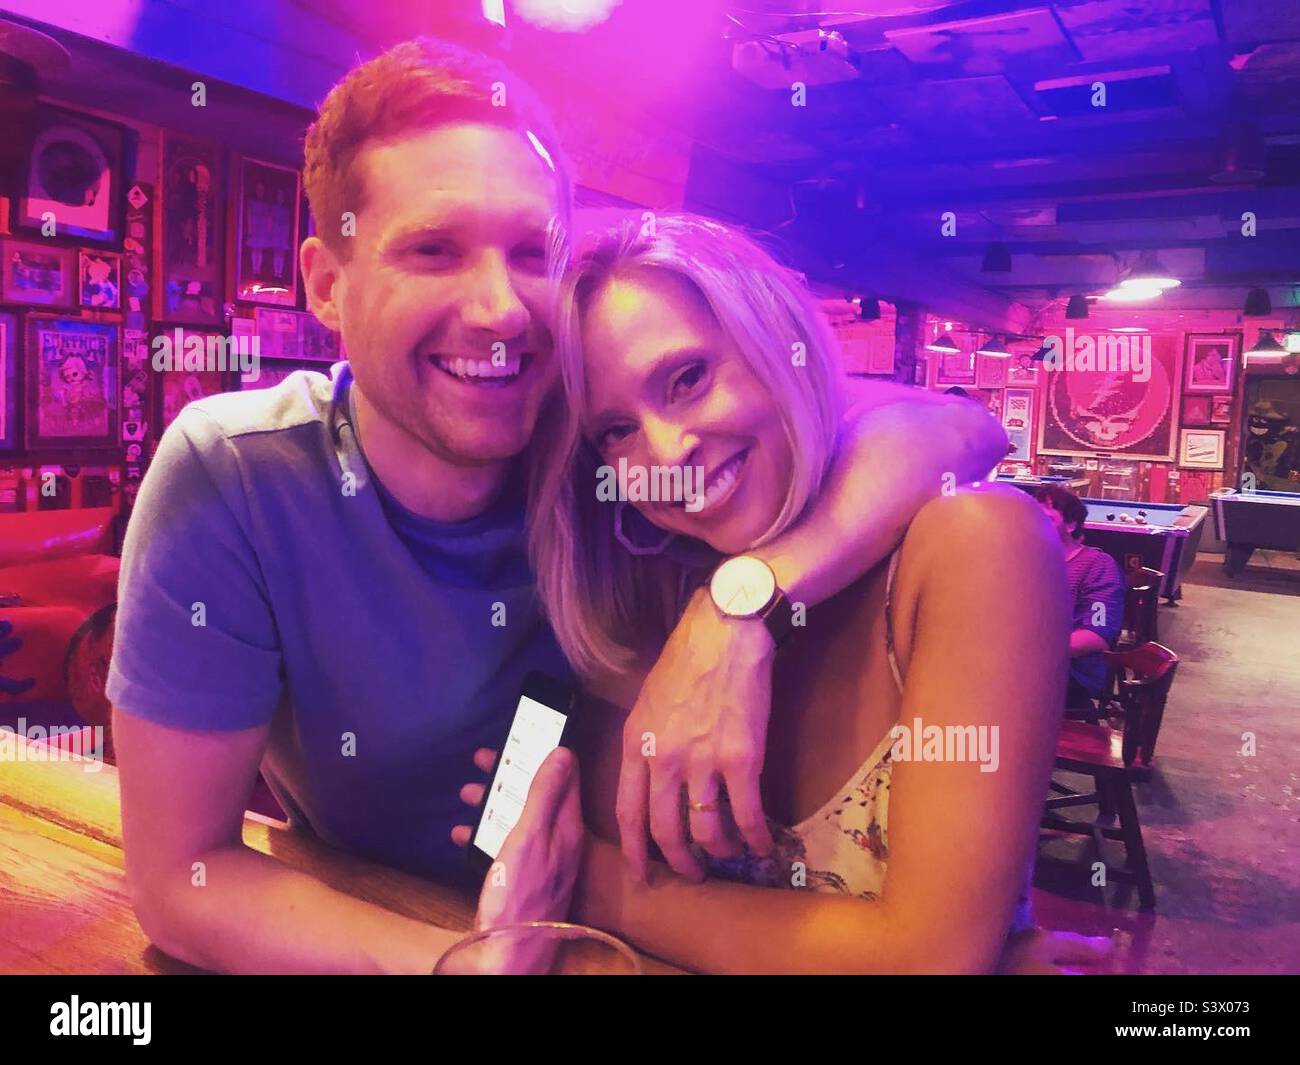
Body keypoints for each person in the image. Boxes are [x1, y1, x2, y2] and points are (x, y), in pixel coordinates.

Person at [106, 37, 1009, 974]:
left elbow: (955, 430)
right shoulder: (239, 474)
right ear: (327, 286)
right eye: (433, 250)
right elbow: (183, 880)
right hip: (402, 928)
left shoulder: (603, 430)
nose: (500, 309)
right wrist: (472, 963)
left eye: (532, 251)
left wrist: (740, 601)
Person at [475, 213, 1079, 973]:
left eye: (688, 378)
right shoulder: (645, 583)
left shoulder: (974, 546)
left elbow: (926, 962)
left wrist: (585, 890)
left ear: (776, 344)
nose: (668, 453)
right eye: (617, 431)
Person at [1034, 484, 1126, 707]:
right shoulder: (1026, 561)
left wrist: (1029, 653)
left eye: (1046, 518)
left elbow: (1096, 636)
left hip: (1071, 676)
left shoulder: (1097, 565)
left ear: (1071, 524)